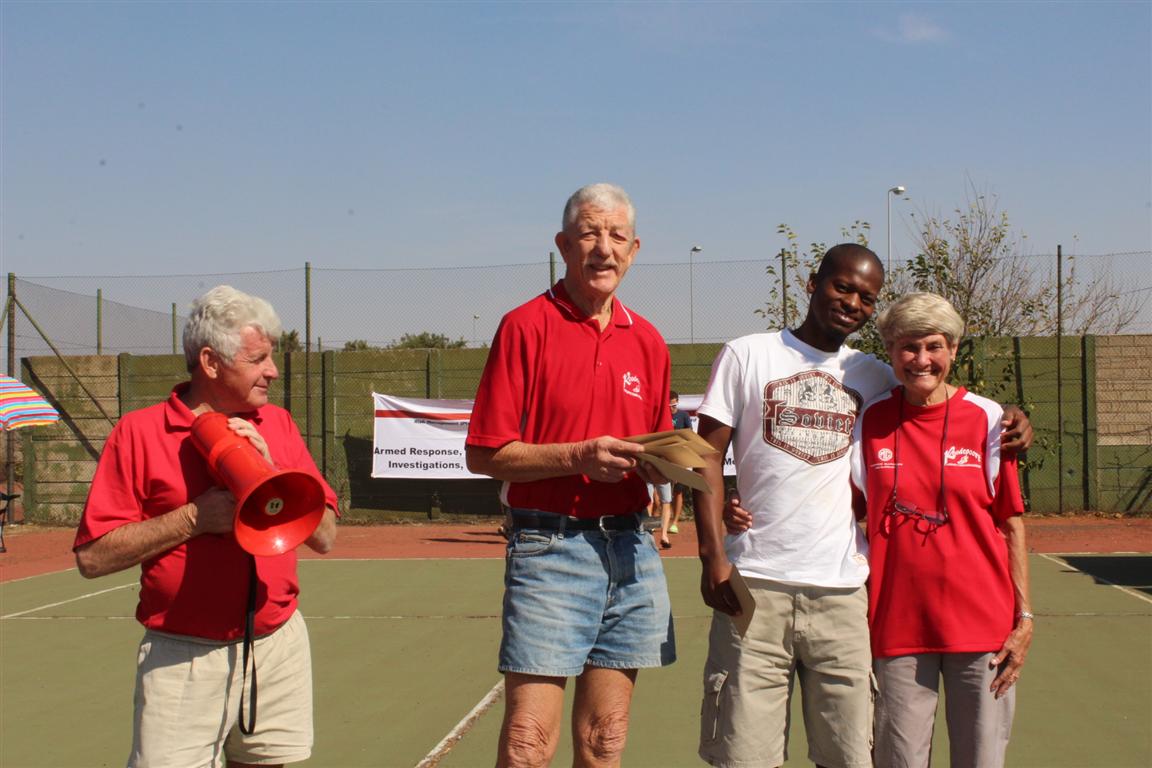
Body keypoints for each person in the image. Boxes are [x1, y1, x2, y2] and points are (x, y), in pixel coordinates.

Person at [693, 244, 1032, 768]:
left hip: (845, 594)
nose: (852, 302)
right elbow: (704, 457)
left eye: (867, 297)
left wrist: (1010, 415)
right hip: (756, 584)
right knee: (744, 756)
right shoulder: (747, 354)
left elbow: (936, 391)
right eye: (842, 287)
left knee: (851, 756)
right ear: (812, 283)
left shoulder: (873, 374)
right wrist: (713, 551)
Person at [73, 285, 338, 768]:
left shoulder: (277, 424)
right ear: (211, 362)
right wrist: (194, 518)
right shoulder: (139, 433)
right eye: (258, 359)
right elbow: (93, 557)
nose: (273, 371)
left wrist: (274, 468)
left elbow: (325, 537)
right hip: (184, 658)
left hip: (276, 645)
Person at [465, 183, 675, 767]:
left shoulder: (649, 341)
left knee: (605, 740)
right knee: (527, 744)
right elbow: (484, 454)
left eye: (617, 236)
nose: (604, 248)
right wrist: (578, 457)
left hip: (631, 549)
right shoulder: (524, 326)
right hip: (549, 547)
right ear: (563, 245)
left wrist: (668, 463)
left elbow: (659, 448)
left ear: (634, 249)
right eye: (589, 234)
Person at [849, 292, 1031, 768]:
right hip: (896, 627)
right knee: (899, 760)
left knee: (981, 759)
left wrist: (1025, 618)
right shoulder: (869, 421)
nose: (921, 359)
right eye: (908, 347)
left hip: (983, 629)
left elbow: (1011, 525)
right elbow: (841, 508)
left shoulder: (990, 420)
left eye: (933, 346)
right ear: (891, 352)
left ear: (952, 349)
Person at [654, 390, 693, 548]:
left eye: (673, 403)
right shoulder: (661, 416)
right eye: (668, 403)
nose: (671, 406)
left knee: (676, 492)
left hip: (678, 460)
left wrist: (681, 462)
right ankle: (654, 520)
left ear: (677, 401)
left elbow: (689, 437)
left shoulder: (683, 416)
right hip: (661, 461)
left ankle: (674, 523)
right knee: (656, 496)